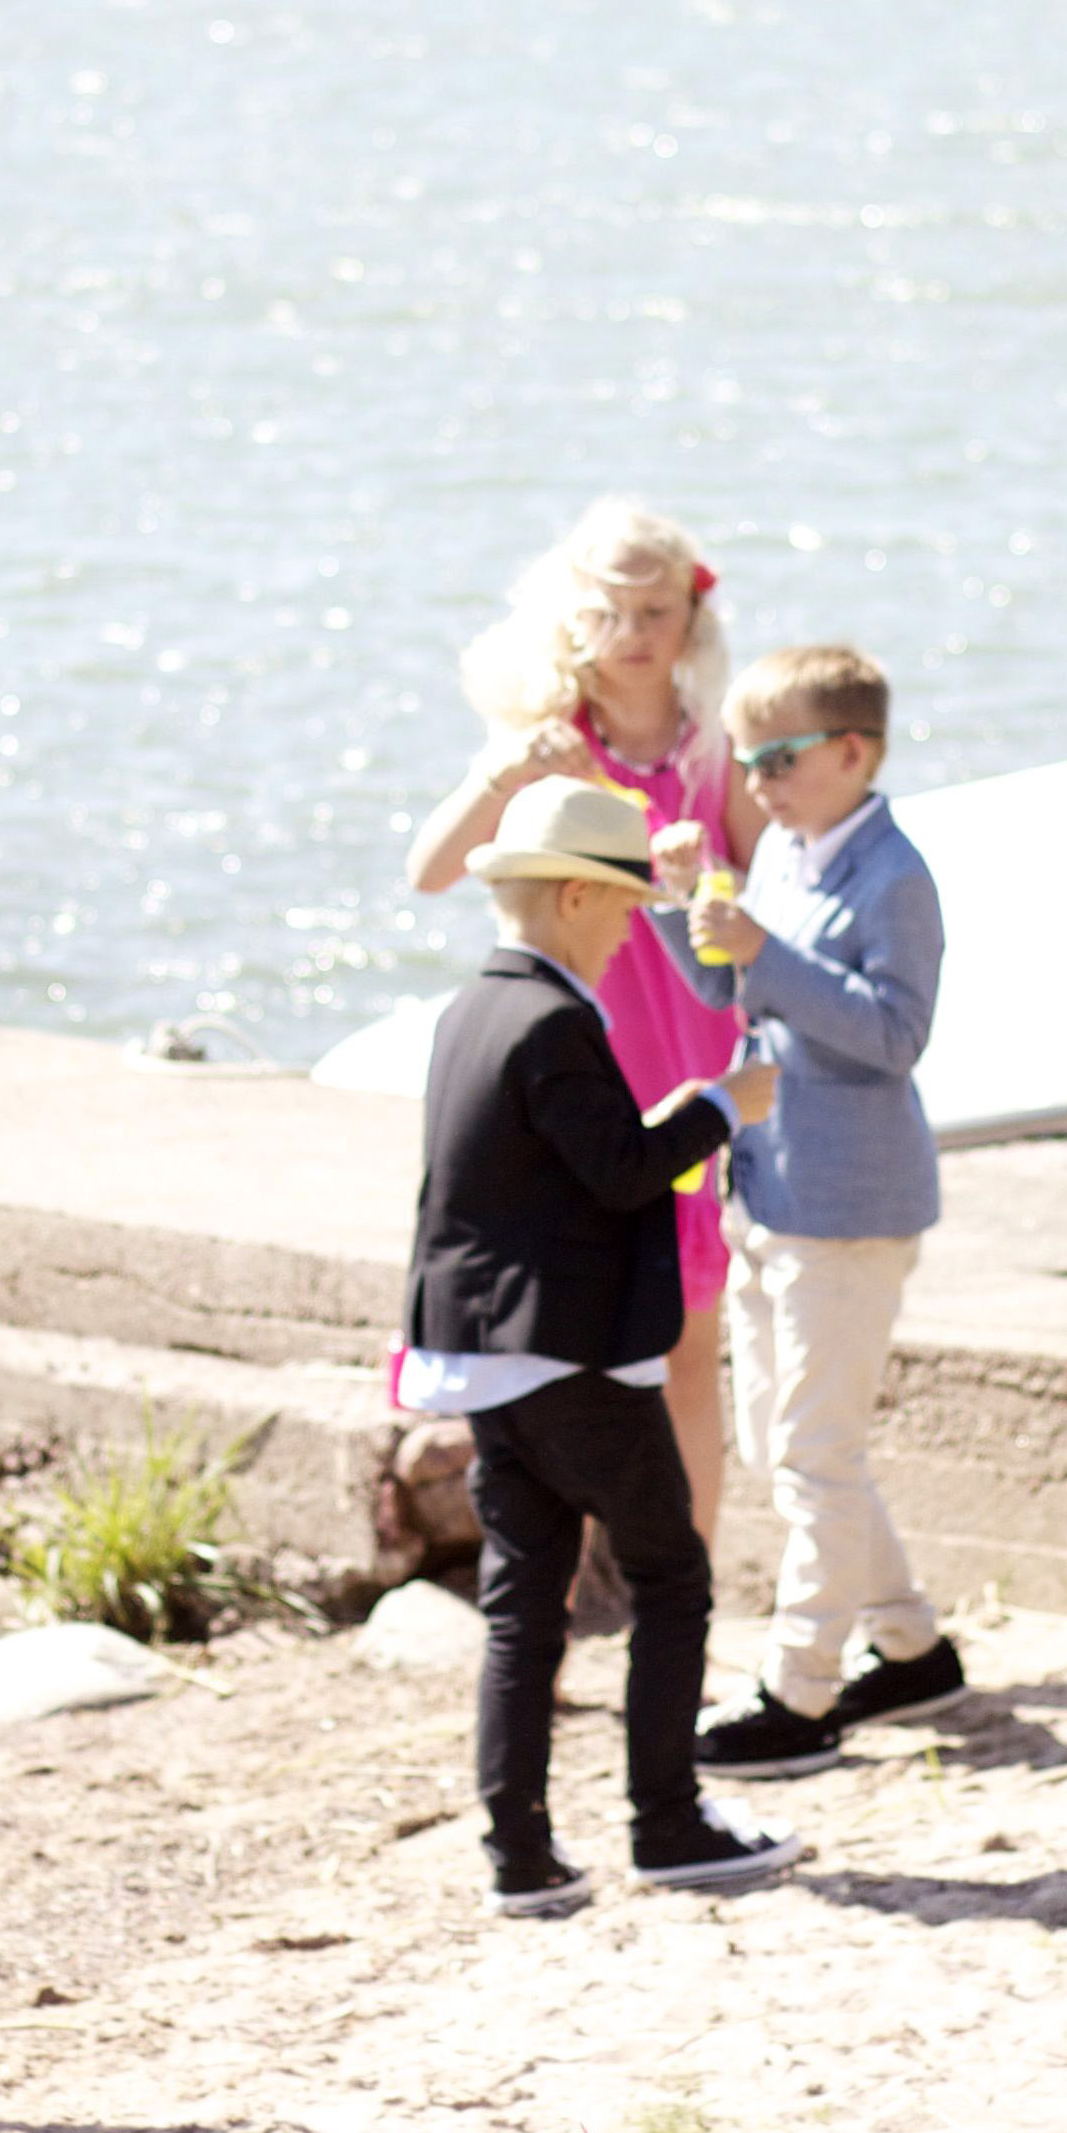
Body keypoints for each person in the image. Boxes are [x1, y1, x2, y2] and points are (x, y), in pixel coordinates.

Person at [408, 774, 805, 1916]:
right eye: (627, 908)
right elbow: (623, 1172)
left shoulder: (470, 1011)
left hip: (484, 1355)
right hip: (570, 1355)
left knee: (522, 1601)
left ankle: (519, 1851)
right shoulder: (554, 1020)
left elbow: (537, 1168)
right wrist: (722, 1105)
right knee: (670, 1576)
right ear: (577, 897)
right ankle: (667, 1823)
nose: (633, 932)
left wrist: (675, 1115)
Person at [404, 500, 758, 1554]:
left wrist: (706, 878)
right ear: (570, 617)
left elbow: (765, 895)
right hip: (574, 1063)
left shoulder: (716, 749)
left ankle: (684, 1596)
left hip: (685, 1055)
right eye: (609, 612)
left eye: (657, 611)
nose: (634, 635)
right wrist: (505, 772)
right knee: (558, 1351)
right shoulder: (549, 742)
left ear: (692, 619)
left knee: (688, 1352)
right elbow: (430, 871)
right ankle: (550, 1600)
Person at [668, 645, 965, 1778]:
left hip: (852, 1203)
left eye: (779, 759)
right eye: (745, 761)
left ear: (852, 751)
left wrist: (765, 953)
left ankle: (800, 1690)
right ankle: (912, 1647)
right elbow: (733, 988)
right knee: (782, 1444)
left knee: (811, 1452)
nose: (757, 784)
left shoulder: (895, 876)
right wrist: (691, 904)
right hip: (772, 1186)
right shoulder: (785, 856)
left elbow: (895, 1036)